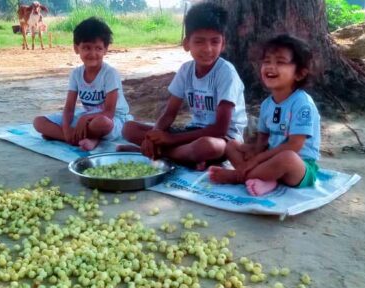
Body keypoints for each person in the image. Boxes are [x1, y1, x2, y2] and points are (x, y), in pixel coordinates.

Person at [119, 2, 247, 170]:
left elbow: (219, 130)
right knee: (129, 129)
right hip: (192, 132)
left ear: (223, 44)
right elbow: (169, 114)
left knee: (207, 147)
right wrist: (153, 137)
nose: (207, 49)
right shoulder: (186, 70)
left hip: (225, 139)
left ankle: (158, 152)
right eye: (199, 41)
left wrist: (170, 140)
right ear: (187, 44)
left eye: (214, 41)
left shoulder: (226, 73)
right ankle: (177, 154)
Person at [209, 34, 320, 196]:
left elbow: (294, 146)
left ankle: (237, 176)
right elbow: (263, 139)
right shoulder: (267, 104)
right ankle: (265, 178)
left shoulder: (302, 104)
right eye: (267, 61)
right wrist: (254, 152)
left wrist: (256, 160)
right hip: (269, 159)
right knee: (232, 144)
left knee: (287, 157)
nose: (270, 67)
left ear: (299, 74)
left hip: (299, 166)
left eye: (280, 62)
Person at [33, 17, 132, 151]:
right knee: (39, 122)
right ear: (76, 48)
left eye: (98, 48)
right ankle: (79, 137)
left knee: (101, 123)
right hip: (87, 116)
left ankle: (88, 137)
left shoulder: (110, 74)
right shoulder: (76, 74)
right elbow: (69, 109)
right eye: (86, 48)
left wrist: (84, 119)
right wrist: (67, 129)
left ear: (105, 50)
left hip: (114, 119)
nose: (92, 53)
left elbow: (109, 112)